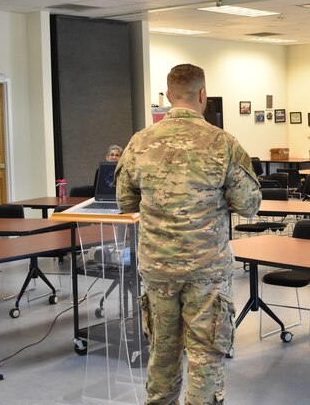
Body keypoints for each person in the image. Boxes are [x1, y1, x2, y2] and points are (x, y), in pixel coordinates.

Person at [115, 64, 262, 405]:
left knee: (162, 355)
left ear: (168, 96)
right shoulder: (222, 143)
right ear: (202, 96)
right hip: (206, 272)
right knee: (205, 357)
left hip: (158, 269)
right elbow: (249, 204)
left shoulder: (139, 142)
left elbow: (125, 201)